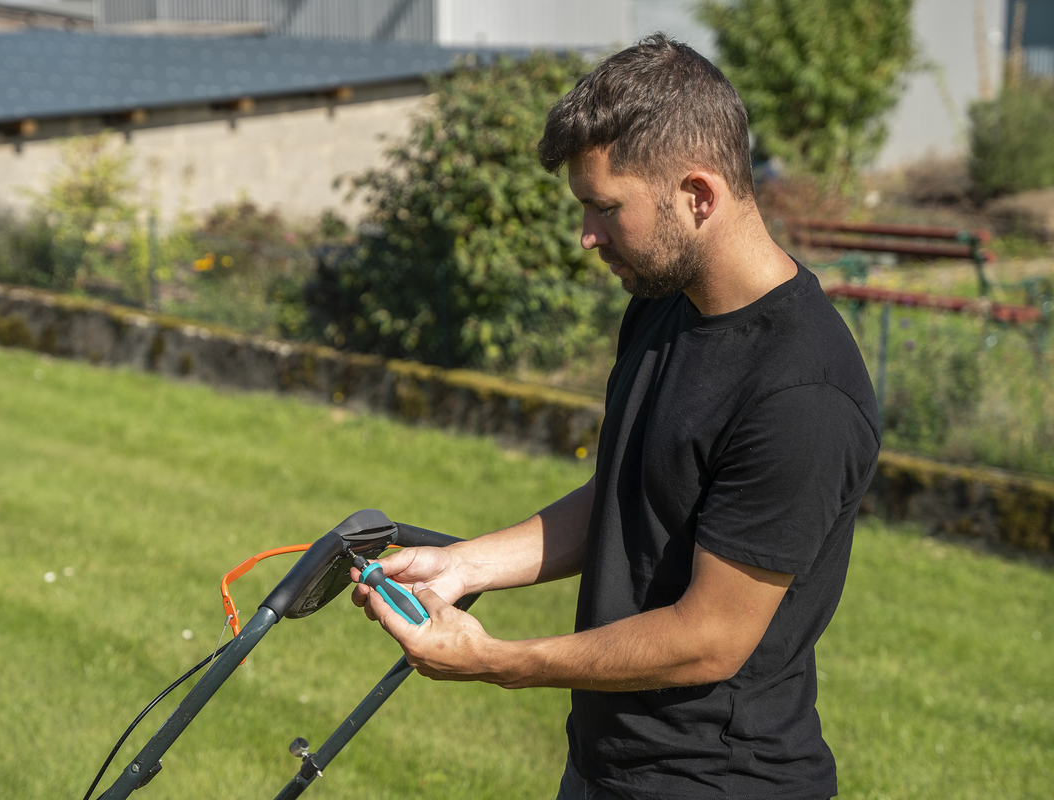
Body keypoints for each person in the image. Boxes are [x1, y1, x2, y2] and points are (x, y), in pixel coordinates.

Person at [351, 34, 880, 800]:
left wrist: (496, 661)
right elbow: (634, 493)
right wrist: (467, 564)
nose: (587, 236)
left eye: (605, 208)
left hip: (719, 781)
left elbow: (708, 640)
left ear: (697, 196)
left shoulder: (803, 397)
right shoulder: (666, 306)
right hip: (607, 767)